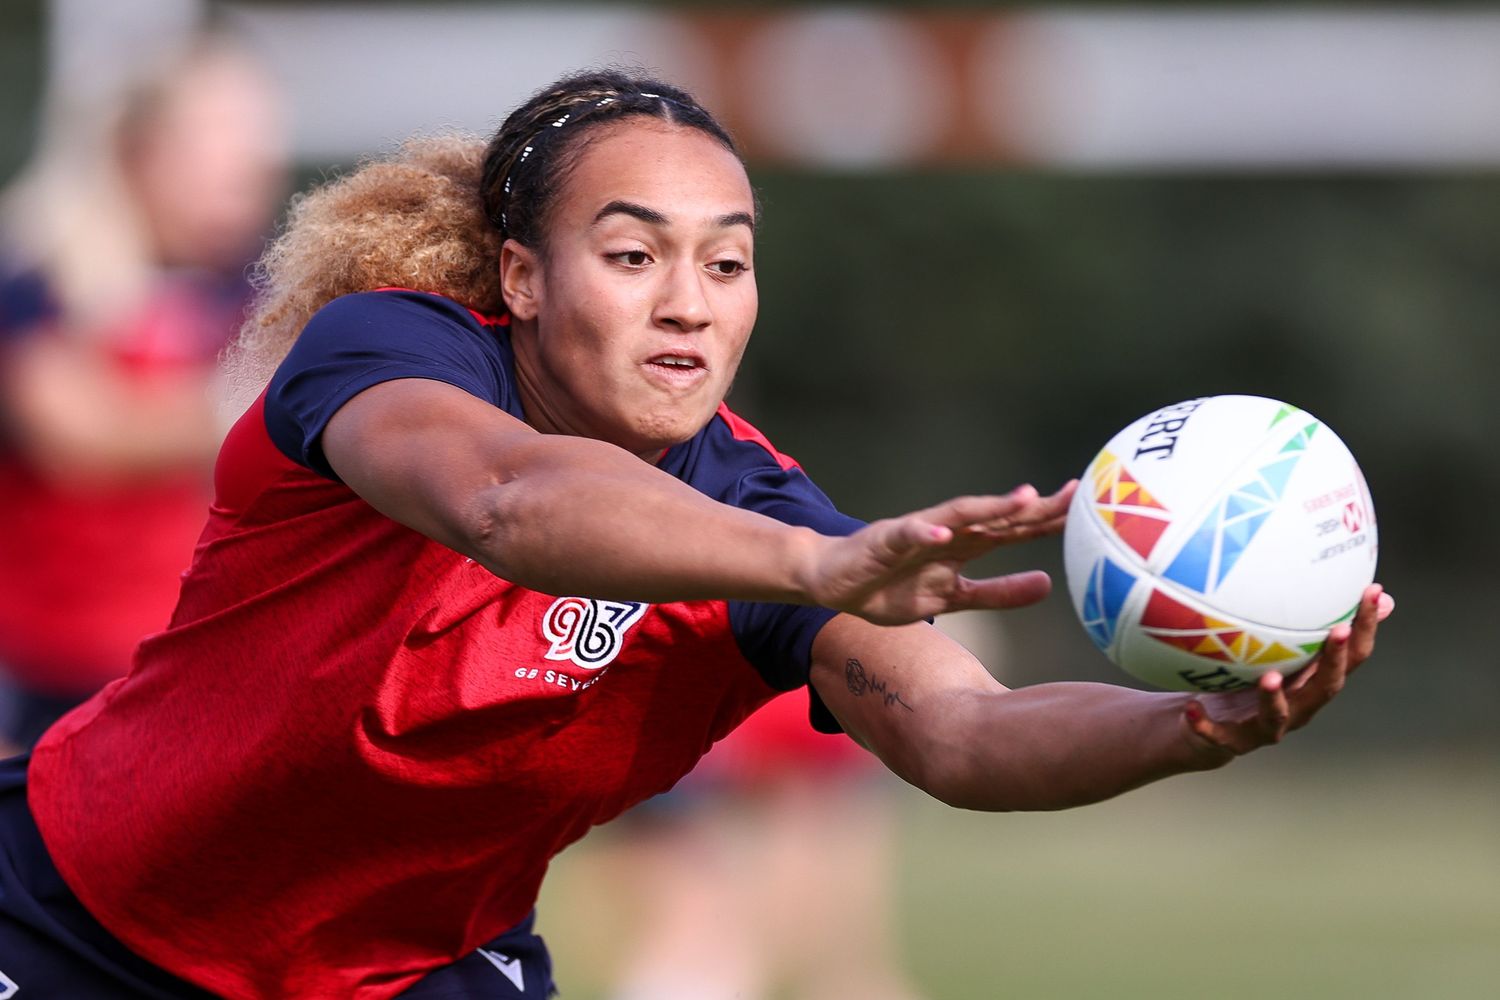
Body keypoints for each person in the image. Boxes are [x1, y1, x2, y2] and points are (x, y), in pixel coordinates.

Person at [0, 70, 1391, 999]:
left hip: (408, 978)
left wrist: (1196, 729)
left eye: (727, 262)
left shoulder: (763, 515)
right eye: (633, 255)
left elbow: (967, 736)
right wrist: (812, 566)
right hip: (65, 917)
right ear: (521, 277)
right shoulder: (388, 352)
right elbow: (509, 503)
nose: (689, 302)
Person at [0, 35, 286, 749]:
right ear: (139, 149)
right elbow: (78, 435)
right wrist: (248, 406)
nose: (246, 163)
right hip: (48, 658)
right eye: (215, 137)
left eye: (255, 138)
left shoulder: (255, 283)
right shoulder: (42, 269)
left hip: (188, 644)